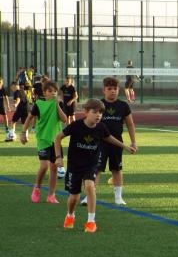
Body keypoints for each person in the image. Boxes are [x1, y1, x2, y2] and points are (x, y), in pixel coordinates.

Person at [54, 99, 136, 233]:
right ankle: (70, 215)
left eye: (101, 113)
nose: (98, 115)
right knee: (74, 197)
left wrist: (125, 146)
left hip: (91, 165)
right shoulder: (76, 126)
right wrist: (58, 157)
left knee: (90, 186)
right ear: (86, 112)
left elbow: (108, 137)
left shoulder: (101, 127)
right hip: (74, 165)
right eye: (95, 112)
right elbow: (58, 138)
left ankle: (91, 222)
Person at [81, 77, 136, 206]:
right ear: (103, 90)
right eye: (109, 89)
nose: (113, 91)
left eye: (115, 89)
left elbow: (130, 125)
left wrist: (133, 142)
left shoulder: (123, 106)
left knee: (116, 169)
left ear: (119, 90)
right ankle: (88, 196)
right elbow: (89, 122)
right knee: (96, 169)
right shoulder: (98, 105)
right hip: (99, 144)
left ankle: (118, 197)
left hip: (117, 143)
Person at [20, 81, 68, 204]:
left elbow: (64, 120)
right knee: (44, 166)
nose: (53, 93)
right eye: (50, 91)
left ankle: (51, 195)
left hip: (55, 141)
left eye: (55, 91)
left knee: (54, 168)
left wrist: (57, 105)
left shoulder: (59, 103)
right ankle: (37, 188)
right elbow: (30, 118)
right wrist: (23, 132)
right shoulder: (39, 104)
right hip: (43, 139)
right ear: (45, 92)